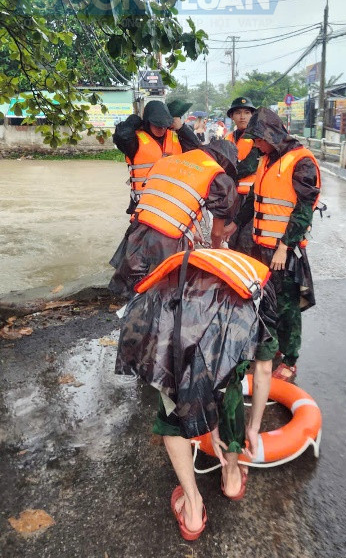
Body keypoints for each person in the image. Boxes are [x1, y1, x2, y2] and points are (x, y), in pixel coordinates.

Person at [115, 248, 277, 540]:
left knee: (173, 400)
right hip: (207, 322)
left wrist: (208, 420)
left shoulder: (177, 279)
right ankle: (231, 477)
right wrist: (252, 428)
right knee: (229, 387)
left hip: (169, 322)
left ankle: (192, 508)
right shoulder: (261, 288)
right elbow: (263, 369)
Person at [223, 107, 321, 383]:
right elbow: (255, 198)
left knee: (287, 307)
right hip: (260, 247)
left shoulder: (301, 162)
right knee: (265, 303)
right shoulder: (266, 160)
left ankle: (290, 359)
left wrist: (284, 247)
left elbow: (303, 210)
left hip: (283, 252)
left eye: (258, 139)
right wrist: (235, 223)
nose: (255, 145)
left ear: (272, 134)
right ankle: (271, 348)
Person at [109, 140, 239, 298]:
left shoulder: (169, 160)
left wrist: (190, 233)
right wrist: (215, 254)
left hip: (138, 228)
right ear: (224, 160)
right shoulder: (218, 178)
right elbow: (217, 234)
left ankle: (131, 312)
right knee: (166, 292)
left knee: (133, 286)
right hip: (168, 239)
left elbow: (169, 204)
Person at [113, 100, 199, 214]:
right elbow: (121, 137)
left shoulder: (176, 136)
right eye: (158, 125)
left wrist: (182, 128)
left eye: (165, 125)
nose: (162, 129)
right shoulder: (134, 141)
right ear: (148, 122)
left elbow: (197, 149)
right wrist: (132, 121)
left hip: (173, 201)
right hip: (144, 204)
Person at [224, 97, 260, 255]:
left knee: (247, 242)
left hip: (250, 199)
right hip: (231, 198)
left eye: (247, 112)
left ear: (252, 116)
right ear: (232, 116)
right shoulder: (227, 139)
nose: (242, 116)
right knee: (230, 239)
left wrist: (228, 170)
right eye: (238, 112)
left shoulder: (257, 139)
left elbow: (250, 166)